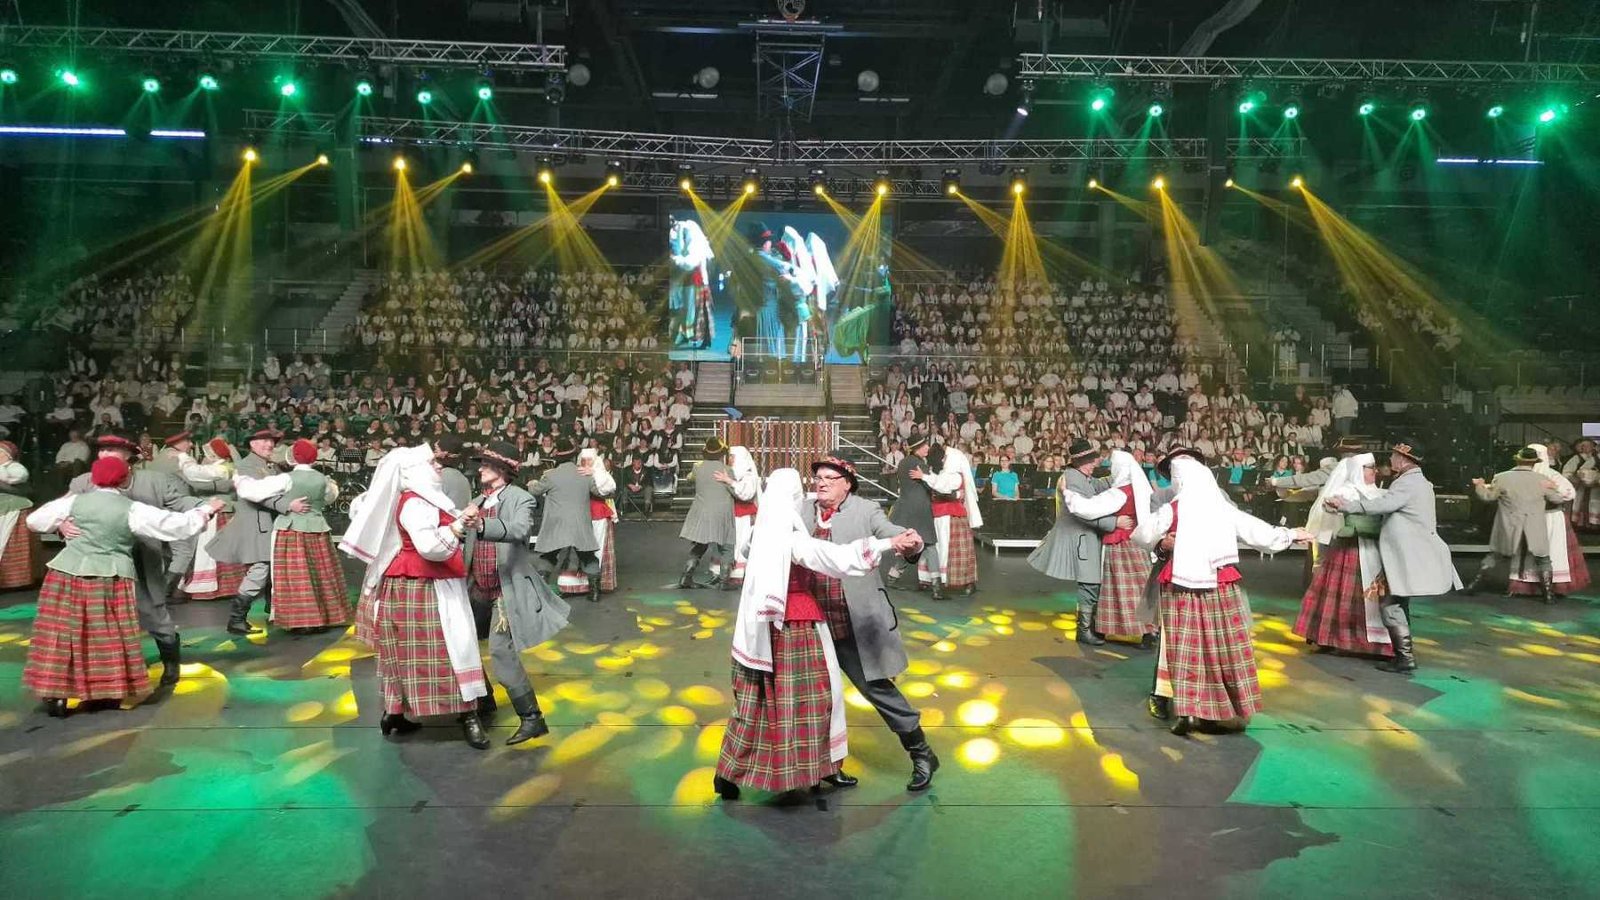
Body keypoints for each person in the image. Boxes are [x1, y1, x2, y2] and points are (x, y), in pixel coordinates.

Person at [714, 467, 920, 801]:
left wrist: (900, 540)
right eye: (812, 483)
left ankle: (733, 772)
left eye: (829, 479)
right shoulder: (790, 533)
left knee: (759, 702)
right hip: (798, 628)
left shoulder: (761, 531)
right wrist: (886, 544)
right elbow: (836, 558)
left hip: (779, 629)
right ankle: (812, 769)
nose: (818, 486)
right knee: (813, 702)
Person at [23, 457, 221, 717]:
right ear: (124, 479)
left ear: (93, 478)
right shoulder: (130, 508)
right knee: (103, 635)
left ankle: (56, 692)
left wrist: (60, 523)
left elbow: (34, 521)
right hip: (108, 577)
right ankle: (102, 691)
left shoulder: (74, 502)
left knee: (61, 631)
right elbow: (177, 526)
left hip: (65, 574)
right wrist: (206, 510)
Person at [1133, 449, 1309, 736]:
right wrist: (1290, 534)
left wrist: (1158, 538)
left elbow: (1141, 533)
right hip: (1215, 585)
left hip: (1181, 587)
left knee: (1184, 647)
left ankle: (1188, 710)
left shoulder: (1175, 508)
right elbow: (1258, 532)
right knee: (1214, 645)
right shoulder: (1219, 506)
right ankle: (1197, 705)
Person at [798, 457, 937, 791]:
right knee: (813, 695)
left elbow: (890, 533)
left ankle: (921, 752)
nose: (821, 483)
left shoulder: (866, 509)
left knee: (876, 689)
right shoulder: (802, 510)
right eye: (818, 477)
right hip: (811, 621)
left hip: (852, 620)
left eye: (830, 478)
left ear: (848, 483)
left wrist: (909, 542)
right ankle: (825, 764)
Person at [340, 444, 491, 749]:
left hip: (417, 584)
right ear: (414, 471)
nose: (439, 467)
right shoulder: (414, 503)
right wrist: (458, 525)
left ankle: (396, 713)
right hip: (422, 586)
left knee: (410, 652)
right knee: (446, 648)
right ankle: (467, 715)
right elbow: (430, 548)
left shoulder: (424, 497)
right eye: (432, 463)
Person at [461, 440, 570, 745]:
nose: (480, 469)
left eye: (486, 464)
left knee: (500, 651)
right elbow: (465, 540)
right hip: (476, 588)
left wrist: (481, 524)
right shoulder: (477, 500)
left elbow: (520, 530)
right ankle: (483, 699)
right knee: (463, 645)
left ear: (502, 469)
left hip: (505, 591)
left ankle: (532, 718)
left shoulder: (521, 499)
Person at [67, 432, 198, 686]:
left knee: (153, 611)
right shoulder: (84, 482)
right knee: (99, 616)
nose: (104, 454)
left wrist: (203, 506)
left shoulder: (154, 481)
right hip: (99, 561)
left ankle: (170, 661)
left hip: (142, 558)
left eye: (111, 450)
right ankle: (106, 670)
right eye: (101, 450)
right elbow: (64, 509)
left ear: (128, 455)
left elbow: (180, 502)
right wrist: (63, 524)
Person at [1325, 439, 1463, 674]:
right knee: (1397, 601)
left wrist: (1346, 505)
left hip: (1405, 555)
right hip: (1407, 553)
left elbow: (1383, 504)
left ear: (1403, 459)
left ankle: (1405, 658)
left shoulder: (1408, 483)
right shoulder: (1415, 481)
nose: (1390, 459)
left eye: (1393, 456)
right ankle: (1403, 655)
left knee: (1390, 603)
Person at [1293, 454, 1393, 657]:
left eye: (1374, 467)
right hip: (1350, 549)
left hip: (1374, 549)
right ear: (1358, 470)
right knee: (1343, 595)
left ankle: (1373, 641)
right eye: (1370, 467)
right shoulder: (1346, 490)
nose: (1374, 471)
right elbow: (1329, 507)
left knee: (1371, 596)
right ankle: (1334, 637)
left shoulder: (1381, 492)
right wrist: (1333, 506)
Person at [242, 439, 347, 633]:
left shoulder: (286, 479)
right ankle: (321, 617)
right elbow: (329, 497)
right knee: (319, 575)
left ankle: (301, 620)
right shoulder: (322, 479)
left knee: (297, 577)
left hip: (291, 529)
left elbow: (253, 492)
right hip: (317, 529)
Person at [211, 428, 306, 636]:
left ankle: (273, 611)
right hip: (256, 524)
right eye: (264, 441)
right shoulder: (247, 465)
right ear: (252, 444)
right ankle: (236, 619)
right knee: (260, 569)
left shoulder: (269, 465)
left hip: (267, 523)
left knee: (271, 569)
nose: (269, 444)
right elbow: (259, 496)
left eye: (271, 441)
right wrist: (288, 505)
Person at [1056, 449, 1155, 648]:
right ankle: (1150, 631)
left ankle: (1128, 629)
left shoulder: (1119, 493)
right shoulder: (1137, 488)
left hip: (1121, 545)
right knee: (1141, 586)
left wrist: (1068, 493)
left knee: (1120, 589)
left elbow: (1088, 509)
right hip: (1136, 543)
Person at [1029, 440, 1118, 643]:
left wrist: (1119, 477)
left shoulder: (1080, 476)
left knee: (1091, 582)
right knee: (1089, 582)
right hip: (1080, 538)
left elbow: (1096, 485)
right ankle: (1084, 630)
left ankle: (1089, 626)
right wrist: (1114, 522)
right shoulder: (1072, 478)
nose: (1094, 464)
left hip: (1084, 537)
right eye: (1090, 461)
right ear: (1080, 463)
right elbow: (1084, 512)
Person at [1464, 447, 1569, 603]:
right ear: (1534, 463)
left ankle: (1474, 585)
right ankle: (1548, 595)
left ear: (1518, 460)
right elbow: (1558, 499)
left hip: (1510, 524)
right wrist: (1553, 487)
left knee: (1495, 556)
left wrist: (1479, 485)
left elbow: (1488, 497)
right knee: (1543, 559)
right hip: (1534, 525)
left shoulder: (1501, 477)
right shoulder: (1542, 479)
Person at [1508, 444, 1590, 600]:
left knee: (1552, 552)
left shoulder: (1551, 475)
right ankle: (1527, 585)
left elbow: (1569, 493)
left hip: (1550, 518)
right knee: (1527, 553)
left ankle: (1550, 589)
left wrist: (1553, 488)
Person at [528, 437, 602, 603]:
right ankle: (595, 592)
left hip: (557, 524)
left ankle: (541, 590)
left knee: (549, 555)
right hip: (579, 524)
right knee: (588, 557)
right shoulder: (584, 474)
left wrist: (532, 482)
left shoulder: (551, 475)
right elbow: (600, 491)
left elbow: (535, 491)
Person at [177, 437, 245, 601]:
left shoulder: (222, 468)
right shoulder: (225, 466)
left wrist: (182, 459)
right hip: (222, 512)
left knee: (209, 550)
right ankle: (228, 587)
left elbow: (195, 476)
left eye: (207, 454)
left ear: (214, 455)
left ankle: (211, 588)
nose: (204, 457)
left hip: (218, 512)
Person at [920, 442, 983, 597]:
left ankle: (965, 581)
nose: (943, 460)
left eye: (946, 458)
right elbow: (939, 486)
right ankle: (934, 578)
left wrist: (925, 477)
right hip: (939, 515)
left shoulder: (955, 476)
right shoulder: (942, 474)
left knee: (953, 549)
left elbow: (941, 486)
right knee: (938, 547)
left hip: (952, 516)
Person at [558, 447, 619, 597]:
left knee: (596, 548)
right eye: (583, 460)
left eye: (589, 460)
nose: (586, 463)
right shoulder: (576, 472)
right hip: (579, 513)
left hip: (597, 513)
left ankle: (594, 585)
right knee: (575, 549)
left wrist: (594, 473)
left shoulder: (601, 473)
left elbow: (609, 489)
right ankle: (574, 586)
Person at [678, 436, 736, 590]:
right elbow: (735, 491)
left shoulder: (697, 467)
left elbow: (689, 478)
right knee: (727, 546)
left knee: (700, 545)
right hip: (721, 512)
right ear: (721, 454)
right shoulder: (727, 470)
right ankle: (724, 581)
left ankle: (686, 577)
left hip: (701, 511)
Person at [887, 435, 938, 593]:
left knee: (910, 545)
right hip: (920, 510)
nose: (927, 448)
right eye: (924, 446)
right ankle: (937, 586)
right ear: (916, 448)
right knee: (930, 545)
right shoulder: (920, 464)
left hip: (904, 509)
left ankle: (892, 577)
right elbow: (932, 485)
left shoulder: (903, 462)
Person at [0, 440, 42, 591]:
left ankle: (16, 580)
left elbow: (21, 486)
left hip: (14, 509)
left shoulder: (15, 469)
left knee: (9, 542)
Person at [719, 445, 760, 586]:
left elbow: (747, 493)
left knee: (741, 543)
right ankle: (725, 572)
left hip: (743, 516)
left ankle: (738, 573)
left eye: (732, 456)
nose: (730, 459)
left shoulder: (748, 475)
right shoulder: (730, 472)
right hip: (731, 513)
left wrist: (730, 482)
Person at [1560, 437, 1598, 531]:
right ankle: (1580, 525)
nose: (1586, 448)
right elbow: (1566, 472)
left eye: (1589, 445)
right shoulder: (1577, 458)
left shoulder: (1596, 458)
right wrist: (1577, 478)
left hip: (1595, 488)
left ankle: (1593, 524)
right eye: (1584, 446)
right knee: (1579, 505)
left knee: (1595, 505)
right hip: (1580, 488)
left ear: (1593, 447)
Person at [431, 433, 474, 509]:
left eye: (436, 450)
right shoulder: (463, 478)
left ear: (444, 453)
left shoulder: (442, 476)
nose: (433, 454)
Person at [989, 454, 1023, 537]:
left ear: (1009, 462)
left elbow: (1016, 490)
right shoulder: (996, 475)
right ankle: (1007, 530)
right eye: (1002, 461)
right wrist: (1004, 497)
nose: (1004, 462)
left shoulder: (1014, 474)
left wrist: (1016, 496)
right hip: (1001, 499)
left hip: (1012, 499)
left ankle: (1020, 530)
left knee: (1020, 505)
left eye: (1006, 461)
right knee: (1008, 505)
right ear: (999, 463)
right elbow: (994, 492)